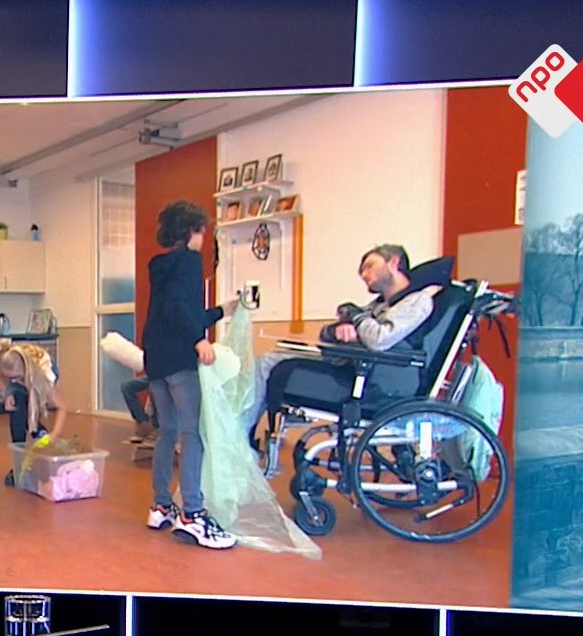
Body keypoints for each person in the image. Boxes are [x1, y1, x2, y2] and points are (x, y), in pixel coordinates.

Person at [247, 244, 446, 445]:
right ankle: (244, 434)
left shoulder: (417, 301)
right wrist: (337, 330)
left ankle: (240, 439)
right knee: (269, 360)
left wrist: (355, 316)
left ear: (394, 262)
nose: (364, 275)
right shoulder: (379, 306)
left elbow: (378, 338)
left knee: (270, 364)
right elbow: (330, 334)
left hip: (375, 382)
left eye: (370, 266)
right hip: (349, 364)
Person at [142, 200, 237, 549]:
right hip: (180, 359)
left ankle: (161, 505)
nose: (203, 239)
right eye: (202, 232)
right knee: (192, 433)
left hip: (156, 358)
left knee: (167, 432)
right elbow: (180, 308)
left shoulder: (160, 265)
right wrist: (199, 339)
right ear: (192, 231)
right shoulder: (189, 261)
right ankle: (192, 513)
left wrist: (220, 311)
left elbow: (174, 309)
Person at [0, 341, 65, 485]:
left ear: (25, 371)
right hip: (25, 372)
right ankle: (19, 463)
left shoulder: (45, 375)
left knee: (32, 417)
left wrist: (54, 434)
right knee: (18, 410)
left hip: (38, 375)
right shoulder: (3, 361)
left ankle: (47, 456)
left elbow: (61, 407)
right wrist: (7, 393)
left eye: (17, 377)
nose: (14, 381)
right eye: (10, 378)